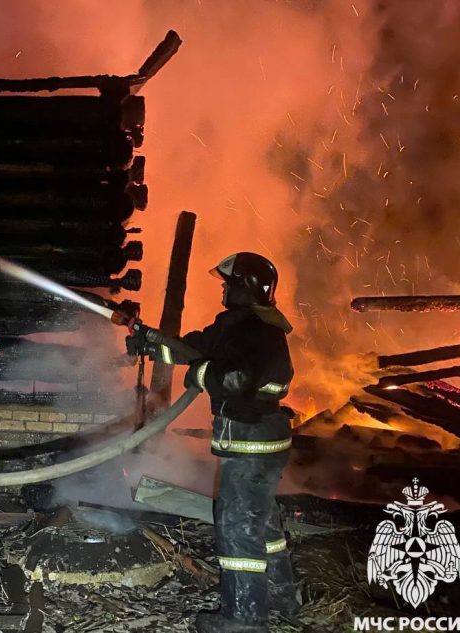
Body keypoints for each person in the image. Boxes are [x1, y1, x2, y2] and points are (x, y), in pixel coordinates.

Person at [128, 252, 300, 633]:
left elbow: (234, 379)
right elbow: (198, 347)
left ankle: (245, 620)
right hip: (262, 439)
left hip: (249, 440)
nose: (223, 289)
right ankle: (283, 597)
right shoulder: (246, 326)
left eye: (228, 283)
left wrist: (199, 375)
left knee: (238, 529)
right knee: (263, 523)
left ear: (244, 287)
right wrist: (153, 344)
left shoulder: (254, 332)